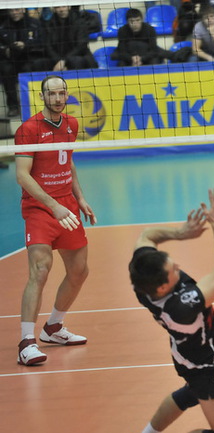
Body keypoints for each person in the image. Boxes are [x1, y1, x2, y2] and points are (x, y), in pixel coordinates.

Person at [130, 188, 214, 433]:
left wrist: (181, 234)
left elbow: (147, 235)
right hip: (202, 366)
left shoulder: (141, 274)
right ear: (163, 287)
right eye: (174, 270)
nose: (178, 267)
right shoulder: (181, 308)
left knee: (190, 393)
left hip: (188, 352)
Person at [15, 75, 96, 366]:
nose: (58, 98)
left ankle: (53, 327)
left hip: (67, 205)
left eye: (62, 93)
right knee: (40, 270)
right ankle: (26, 342)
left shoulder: (71, 124)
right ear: (42, 97)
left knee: (79, 271)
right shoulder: (28, 129)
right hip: (40, 208)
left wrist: (80, 198)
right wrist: (53, 206)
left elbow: (68, 161)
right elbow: (22, 175)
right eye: (52, 94)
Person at [0, 8, 48, 117]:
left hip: (29, 57)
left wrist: (26, 45)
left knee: (30, 68)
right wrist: (5, 50)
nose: (14, 12)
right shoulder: (3, 26)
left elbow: (42, 42)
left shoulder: (34, 24)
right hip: (11, 59)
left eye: (17, 10)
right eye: (12, 11)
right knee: (5, 69)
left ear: (23, 9)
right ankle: (13, 107)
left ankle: (31, 105)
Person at [42, 6, 98, 71]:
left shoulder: (79, 22)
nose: (61, 10)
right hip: (57, 59)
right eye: (58, 7)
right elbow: (48, 46)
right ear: (54, 9)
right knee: (40, 63)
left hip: (78, 57)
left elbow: (81, 46)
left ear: (68, 7)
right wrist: (58, 61)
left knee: (76, 61)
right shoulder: (49, 24)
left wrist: (64, 60)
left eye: (64, 7)